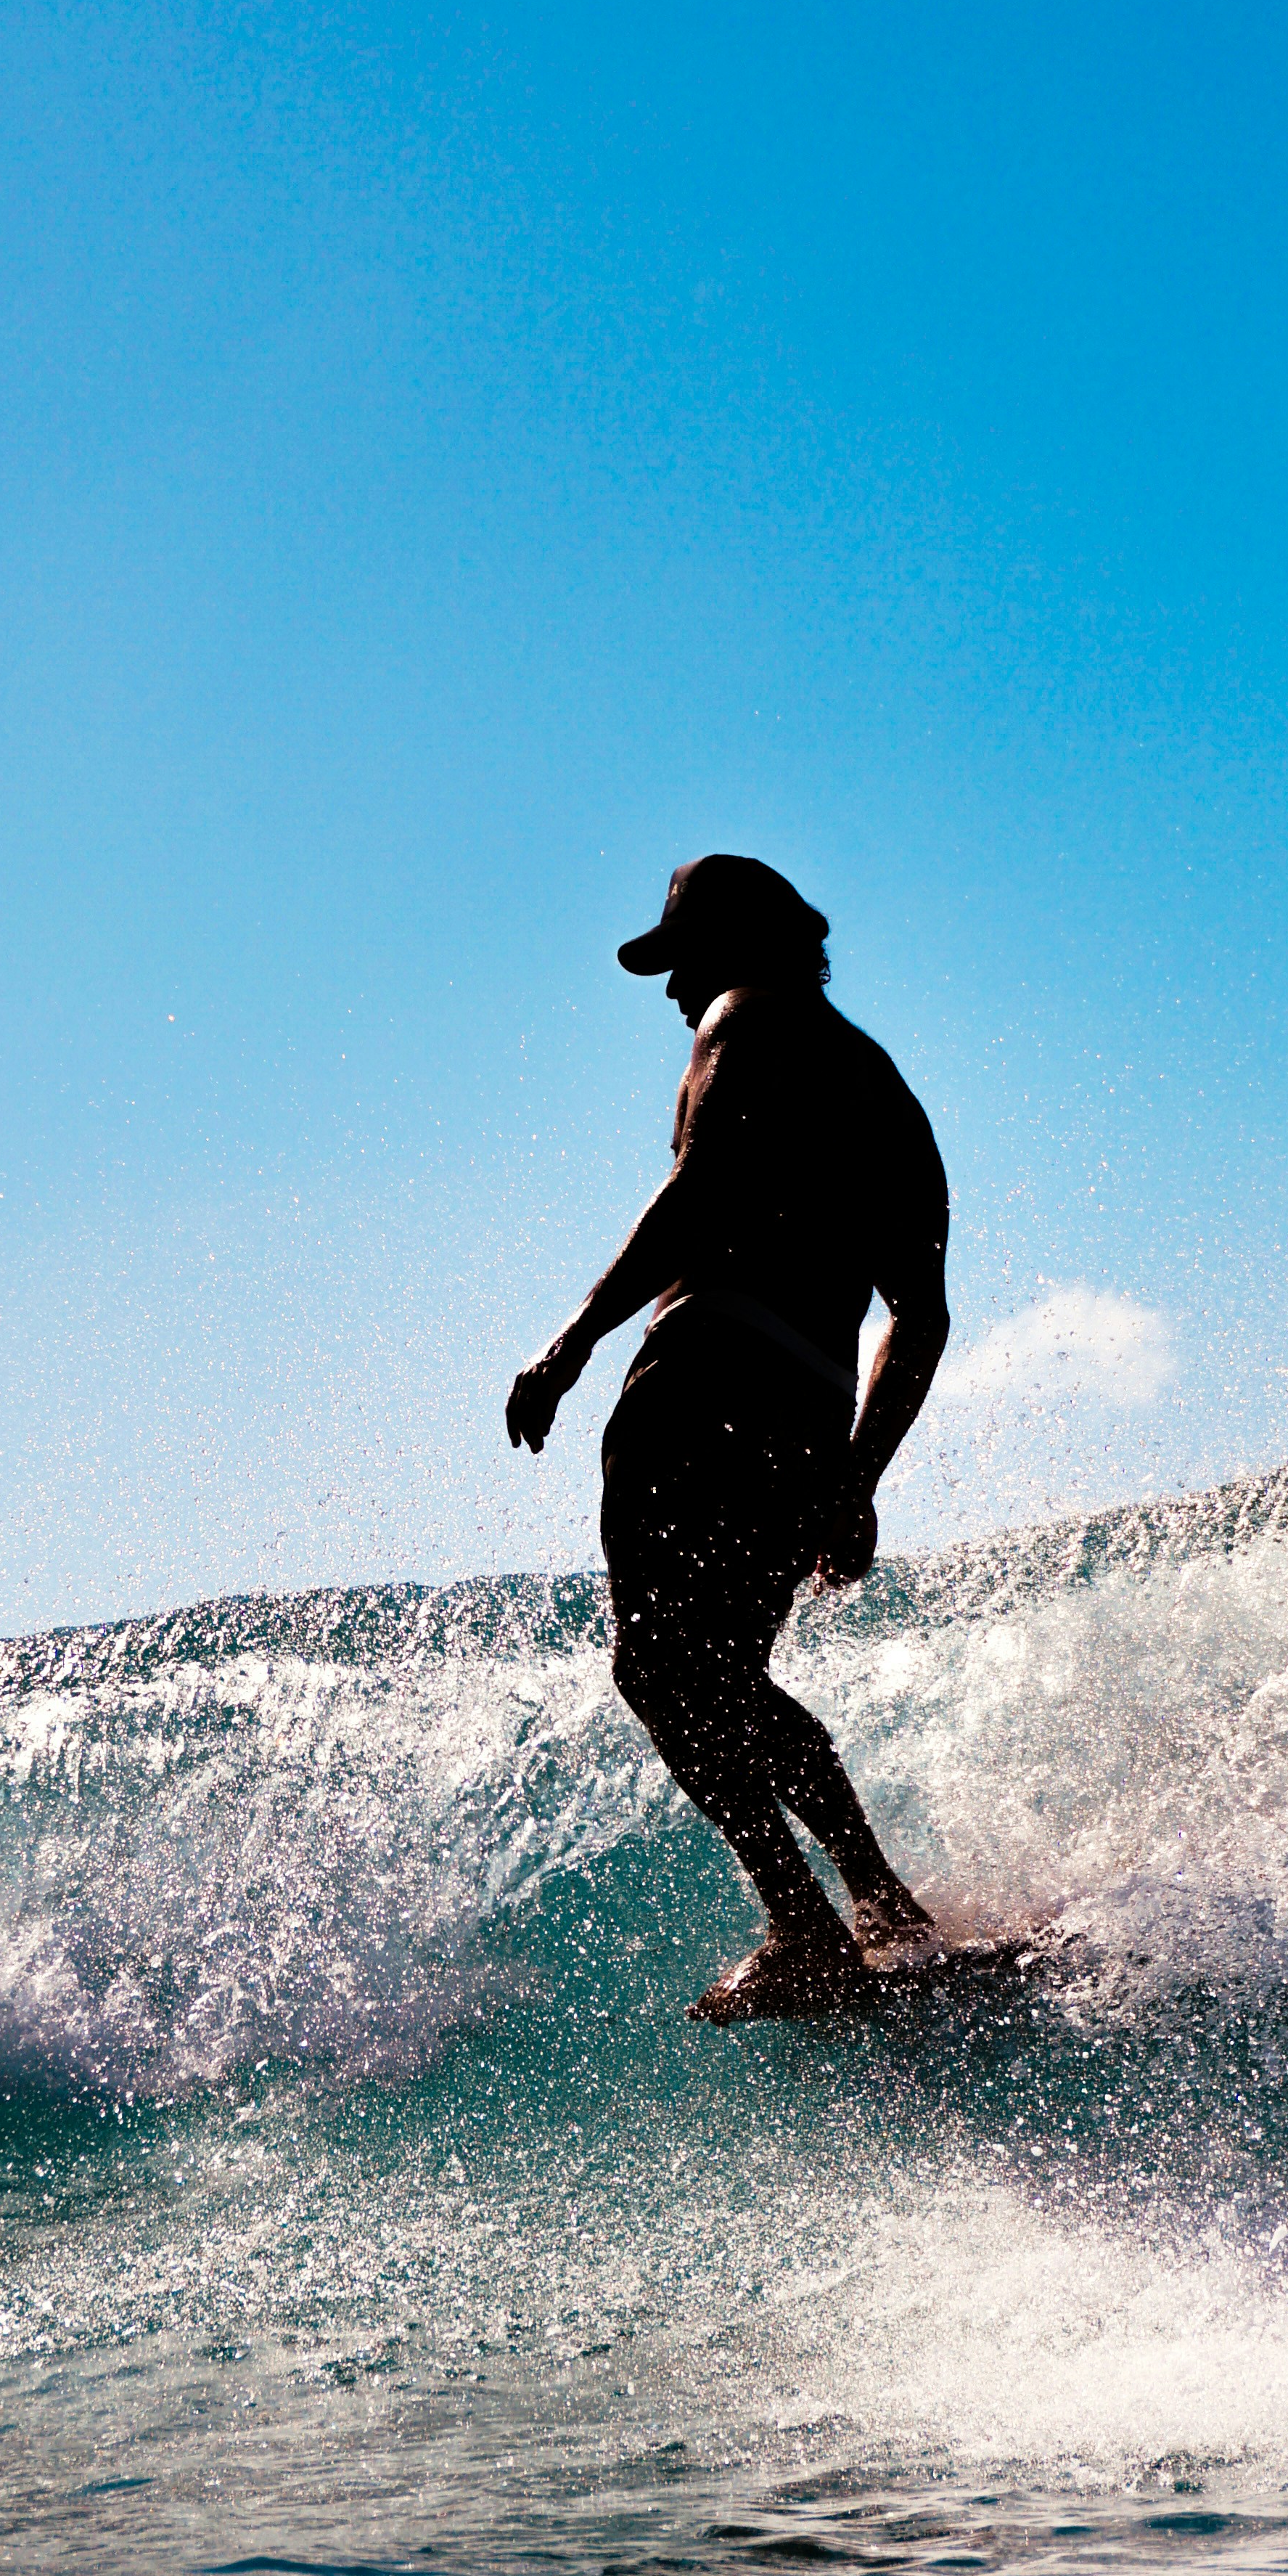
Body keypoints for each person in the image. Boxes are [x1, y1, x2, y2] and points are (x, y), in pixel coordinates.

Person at [505, 854, 953, 2020]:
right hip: (808, 1403)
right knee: (726, 1674)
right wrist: (856, 1474)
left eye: (680, 961)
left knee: (659, 1670)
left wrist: (573, 1340)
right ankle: (879, 1904)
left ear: (739, 949)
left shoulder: (739, 1019)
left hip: (704, 1375)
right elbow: (921, 1313)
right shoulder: (887, 1089)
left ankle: (804, 1926)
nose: (671, 993)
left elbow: (700, 1191)